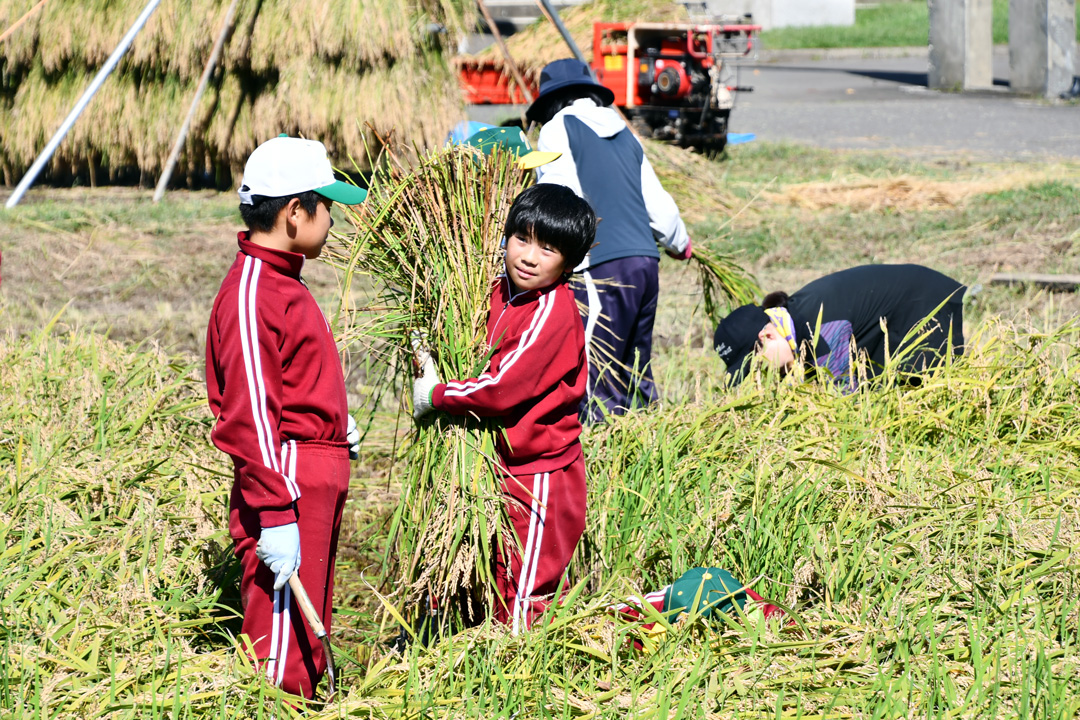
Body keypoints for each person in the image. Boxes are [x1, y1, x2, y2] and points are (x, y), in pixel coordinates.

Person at [205, 136, 367, 699]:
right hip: (289, 482)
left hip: (310, 471)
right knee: (282, 646)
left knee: (305, 631)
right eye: (328, 208)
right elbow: (249, 414)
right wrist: (274, 512)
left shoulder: (280, 280)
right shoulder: (254, 293)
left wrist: (334, 422)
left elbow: (293, 378)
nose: (333, 222)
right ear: (296, 211)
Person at [412, 183, 595, 634]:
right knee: (490, 579)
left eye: (547, 249)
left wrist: (437, 395)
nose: (529, 257)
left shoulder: (554, 312)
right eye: (522, 239)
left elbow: (502, 388)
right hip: (497, 468)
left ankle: (523, 682)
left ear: (568, 264)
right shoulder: (491, 292)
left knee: (525, 594)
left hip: (541, 477)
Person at [526, 58, 692, 423]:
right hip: (645, 264)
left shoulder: (557, 128)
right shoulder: (623, 133)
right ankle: (650, 445)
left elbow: (560, 197)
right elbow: (657, 203)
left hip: (600, 267)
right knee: (635, 368)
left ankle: (603, 461)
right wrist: (680, 243)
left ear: (551, 102)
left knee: (596, 374)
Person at [714, 264, 966, 391]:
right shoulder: (792, 322)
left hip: (923, 303)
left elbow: (844, 398)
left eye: (755, 363)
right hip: (902, 305)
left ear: (767, 335)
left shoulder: (823, 330)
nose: (759, 372)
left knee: (925, 391)